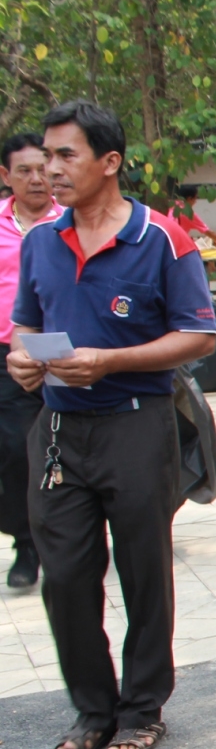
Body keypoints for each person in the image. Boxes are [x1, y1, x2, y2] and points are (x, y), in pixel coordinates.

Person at [8, 101, 216, 749]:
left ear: (109, 163)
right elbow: (24, 322)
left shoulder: (162, 239)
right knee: (65, 574)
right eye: (45, 156)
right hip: (60, 429)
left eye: (66, 155)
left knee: (143, 569)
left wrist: (111, 360)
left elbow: (200, 334)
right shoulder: (42, 239)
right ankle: (93, 708)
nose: (50, 169)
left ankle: (142, 707)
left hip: (137, 425)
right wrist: (21, 358)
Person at [0, 133, 63, 589]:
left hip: (67, 352)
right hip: (9, 355)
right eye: (24, 170)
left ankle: (64, 538)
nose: (38, 178)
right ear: (6, 176)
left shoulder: (74, 221)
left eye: (44, 168)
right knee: (15, 453)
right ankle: (26, 541)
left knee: (69, 447)